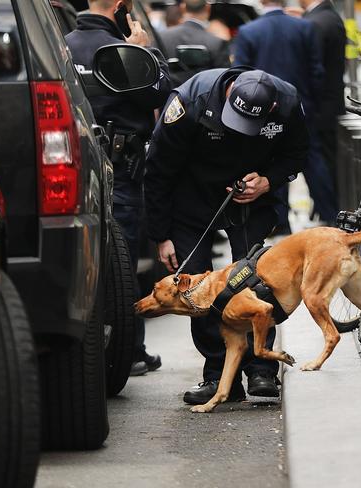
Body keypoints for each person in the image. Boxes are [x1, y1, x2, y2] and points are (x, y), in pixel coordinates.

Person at [144, 67, 309, 404]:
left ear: (272, 109)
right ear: (228, 92)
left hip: (251, 200)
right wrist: (162, 235)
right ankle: (219, 375)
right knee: (196, 291)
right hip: (192, 199)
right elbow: (158, 169)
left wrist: (267, 181)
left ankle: (261, 369)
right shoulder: (191, 101)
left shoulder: (289, 102)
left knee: (257, 284)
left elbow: (298, 154)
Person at [66, 0, 172, 375]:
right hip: (122, 170)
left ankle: (95, 349)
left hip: (76, 170)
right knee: (123, 262)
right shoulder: (125, 52)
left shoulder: (61, 45)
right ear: (119, 7)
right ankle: (131, 350)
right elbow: (163, 94)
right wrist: (143, 51)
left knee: (84, 262)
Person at [232, 0, 336, 233]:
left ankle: (280, 222)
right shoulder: (304, 28)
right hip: (302, 106)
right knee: (313, 161)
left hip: (261, 109)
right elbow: (317, 72)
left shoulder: (249, 32)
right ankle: (330, 215)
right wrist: (311, 103)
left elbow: (239, 75)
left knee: (270, 161)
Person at [299, 0, 346, 191]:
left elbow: (314, 71)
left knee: (324, 164)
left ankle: (331, 213)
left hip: (320, 109)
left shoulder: (317, 22)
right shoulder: (325, 17)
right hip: (328, 105)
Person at [160, 0, 230, 79]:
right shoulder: (216, 43)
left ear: (183, 8)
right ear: (208, 8)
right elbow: (224, 80)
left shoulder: (162, 37)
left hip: (170, 91)